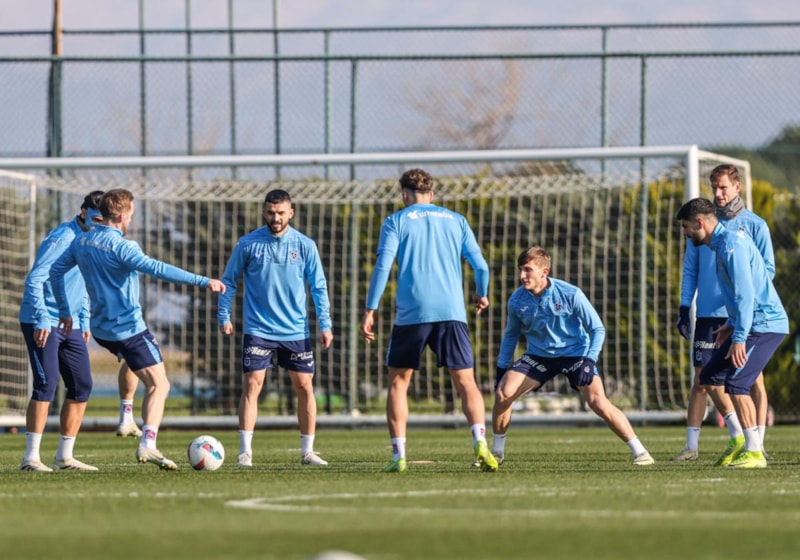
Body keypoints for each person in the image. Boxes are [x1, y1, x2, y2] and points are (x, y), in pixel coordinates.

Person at [50, 188, 225, 470]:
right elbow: (158, 268)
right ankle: (148, 444)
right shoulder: (124, 247)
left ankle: (126, 417)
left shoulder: (81, 241)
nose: (131, 220)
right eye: (131, 215)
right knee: (159, 384)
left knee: (134, 363)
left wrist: (64, 311)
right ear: (121, 216)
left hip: (101, 331)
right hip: (128, 329)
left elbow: (55, 271)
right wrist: (204, 281)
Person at [360, 168, 498, 473]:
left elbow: (383, 267)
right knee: (466, 381)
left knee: (399, 382)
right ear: (432, 195)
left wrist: (370, 309)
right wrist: (482, 293)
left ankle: (399, 456)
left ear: (405, 195)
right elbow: (481, 266)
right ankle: (480, 442)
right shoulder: (456, 220)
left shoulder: (396, 221)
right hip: (452, 311)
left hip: (413, 313)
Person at [491, 246, 655, 466]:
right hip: (538, 357)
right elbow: (511, 335)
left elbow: (597, 329)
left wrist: (589, 360)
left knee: (597, 401)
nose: (522, 275)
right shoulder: (517, 300)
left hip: (575, 355)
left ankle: (641, 452)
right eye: (520, 269)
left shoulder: (571, 294)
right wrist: (502, 368)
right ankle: (496, 454)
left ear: (544, 272)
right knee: (503, 394)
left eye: (528, 270)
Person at [218, 189, 333, 468]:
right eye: (271, 213)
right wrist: (224, 315)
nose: (276, 218)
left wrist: (325, 324)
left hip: (295, 330)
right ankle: (245, 453)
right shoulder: (247, 244)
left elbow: (318, 287)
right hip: (258, 328)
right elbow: (228, 281)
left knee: (304, 386)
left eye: (281, 213)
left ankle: (307, 452)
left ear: (291, 213)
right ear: (264, 212)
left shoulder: (305, 245)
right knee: (252, 384)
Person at [673, 164, 775, 464]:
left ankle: (757, 444)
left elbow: (766, 271)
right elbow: (691, 269)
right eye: (714, 187)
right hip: (708, 314)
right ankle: (702, 444)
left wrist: (742, 299)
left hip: (743, 315)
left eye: (723, 187)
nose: (718, 193)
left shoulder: (754, 225)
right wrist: (685, 305)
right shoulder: (703, 226)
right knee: (703, 379)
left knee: (752, 380)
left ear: (737, 187)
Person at [18, 191, 104, 472]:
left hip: (72, 324)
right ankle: (30, 458)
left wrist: (85, 320)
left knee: (82, 385)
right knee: (46, 384)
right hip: (41, 320)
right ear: (84, 212)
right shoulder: (62, 237)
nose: (100, 225)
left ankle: (64, 457)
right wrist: (42, 318)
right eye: (97, 219)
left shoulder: (92, 241)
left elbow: (84, 282)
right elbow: (35, 280)